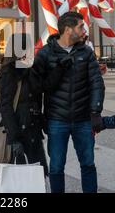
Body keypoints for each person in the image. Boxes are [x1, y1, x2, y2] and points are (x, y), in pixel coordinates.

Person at [34, 12, 105, 193]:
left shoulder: (86, 52)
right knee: (56, 166)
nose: (84, 30)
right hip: (56, 121)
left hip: (83, 120)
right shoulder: (45, 53)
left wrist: (96, 111)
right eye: (80, 26)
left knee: (88, 163)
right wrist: (39, 116)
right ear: (68, 29)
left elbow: (96, 83)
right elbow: (36, 87)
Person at [0, 33, 65, 176]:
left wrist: (60, 68)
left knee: (36, 174)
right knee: (18, 178)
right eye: (28, 47)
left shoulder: (29, 68)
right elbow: (5, 107)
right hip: (17, 132)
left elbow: (45, 86)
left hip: (33, 130)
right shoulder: (9, 72)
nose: (31, 50)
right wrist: (14, 139)